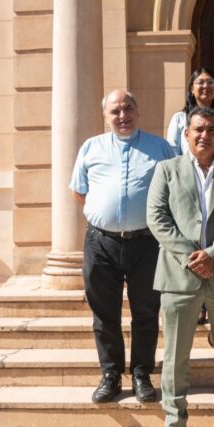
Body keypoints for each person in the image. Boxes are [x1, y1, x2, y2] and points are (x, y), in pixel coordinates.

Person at [146, 106, 214, 427]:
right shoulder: (166, 170)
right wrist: (192, 257)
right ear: (187, 134)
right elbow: (157, 218)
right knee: (176, 355)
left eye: (210, 130)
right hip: (178, 277)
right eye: (198, 130)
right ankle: (174, 421)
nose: (204, 135)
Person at [69, 89, 175, 404]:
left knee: (146, 311)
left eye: (128, 108)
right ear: (106, 115)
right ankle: (111, 375)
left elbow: (175, 190)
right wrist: (105, 214)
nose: (122, 115)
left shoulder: (161, 148)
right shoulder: (91, 147)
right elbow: (79, 191)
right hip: (101, 243)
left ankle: (142, 374)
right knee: (105, 313)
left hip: (147, 243)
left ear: (137, 110)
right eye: (115, 111)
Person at [167, 67, 214, 155]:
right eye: (201, 82)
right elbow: (172, 151)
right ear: (192, 89)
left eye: (210, 82)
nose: (206, 86)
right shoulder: (180, 118)